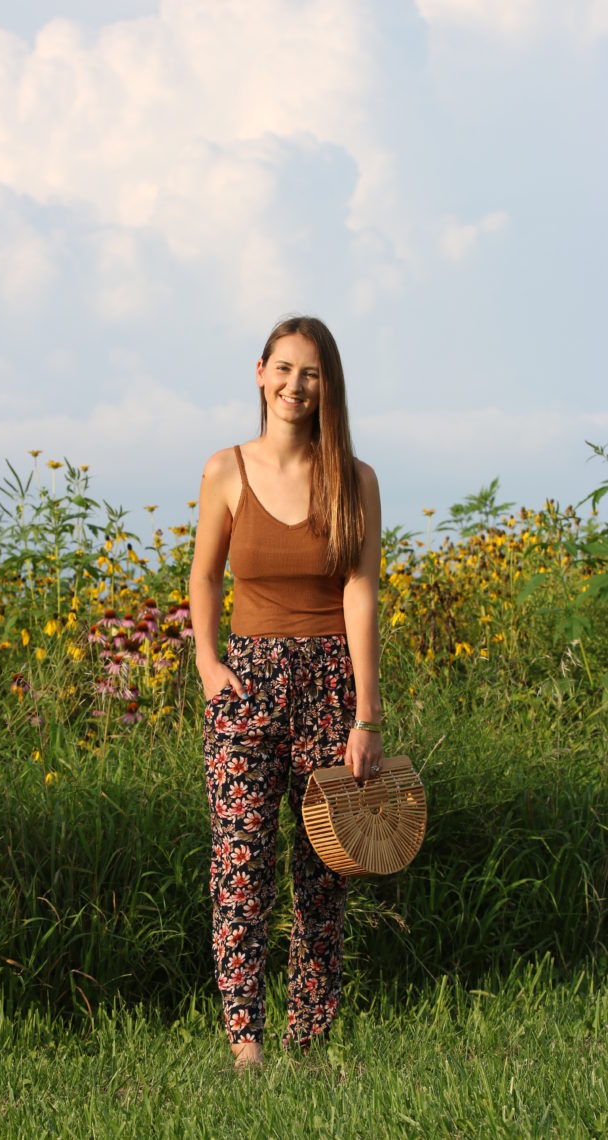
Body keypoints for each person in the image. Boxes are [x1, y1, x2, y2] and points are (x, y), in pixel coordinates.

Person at [189, 315, 383, 1071]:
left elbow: (362, 593)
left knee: (323, 868)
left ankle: (311, 1035)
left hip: (332, 683)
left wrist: (367, 714)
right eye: (285, 368)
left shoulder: (356, 479)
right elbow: (204, 575)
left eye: (313, 372)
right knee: (240, 860)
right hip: (247, 682)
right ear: (260, 371)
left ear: (327, 385)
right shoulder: (225, 470)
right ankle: (245, 1041)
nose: (296, 385)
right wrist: (209, 665)